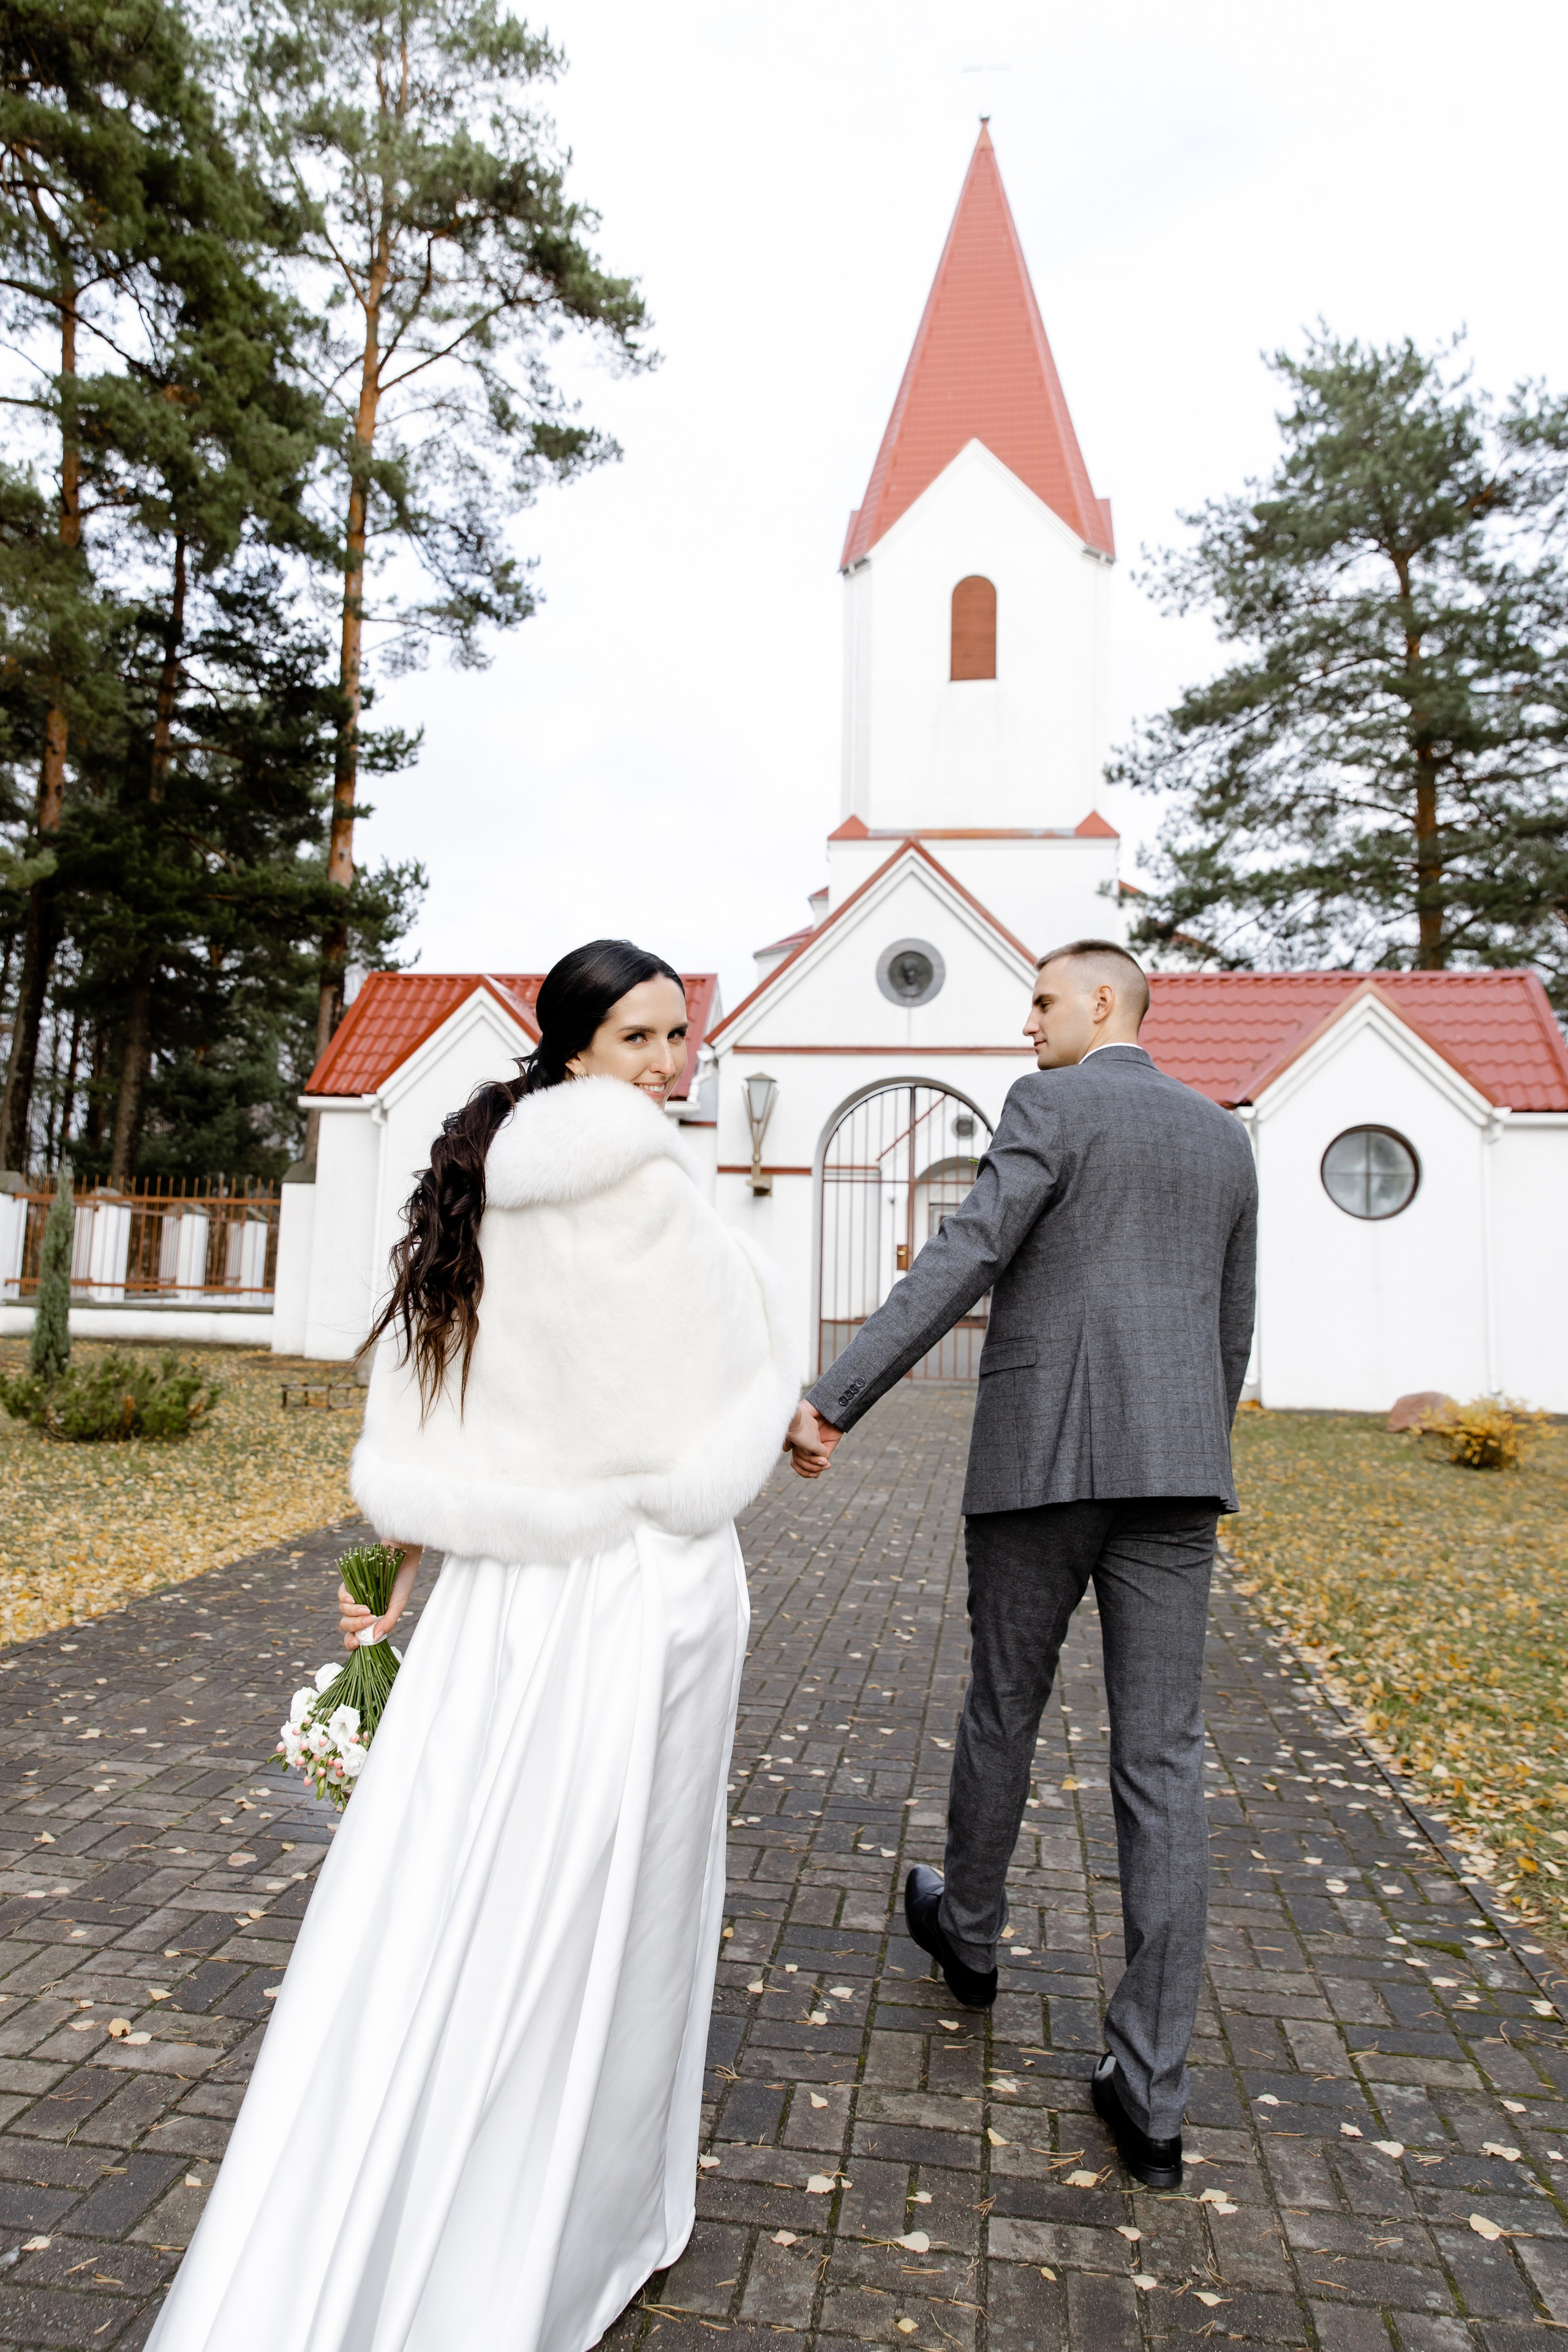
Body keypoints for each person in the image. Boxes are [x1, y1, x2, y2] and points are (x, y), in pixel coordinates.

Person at [148, 941, 799, 2352]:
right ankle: (554, 2211)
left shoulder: (475, 1187)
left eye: (679, 1035)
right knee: (608, 1894)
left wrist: (388, 1582)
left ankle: (431, 2160)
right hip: (635, 1591)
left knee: (458, 1875)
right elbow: (740, 1367)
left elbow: (434, 1415)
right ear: (576, 1047)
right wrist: (786, 1404)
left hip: (503, 1600)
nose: (667, 1063)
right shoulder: (641, 1185)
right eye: (638, 1037)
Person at [786, 938, 1256, 2191]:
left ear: (1102, 1002)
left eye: (1040, 1000)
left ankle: (974, 1935)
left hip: (1040, 1460)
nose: (1025, 1023)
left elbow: (963, 1253)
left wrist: (836, 1397)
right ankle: (1147, 2096)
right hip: (1175, 1473)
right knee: (1162, 1761)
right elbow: (1230, 1323)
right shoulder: (1222, 1136)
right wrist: (1188, 1446)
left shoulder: (1050, 1102)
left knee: (1005, 1703)